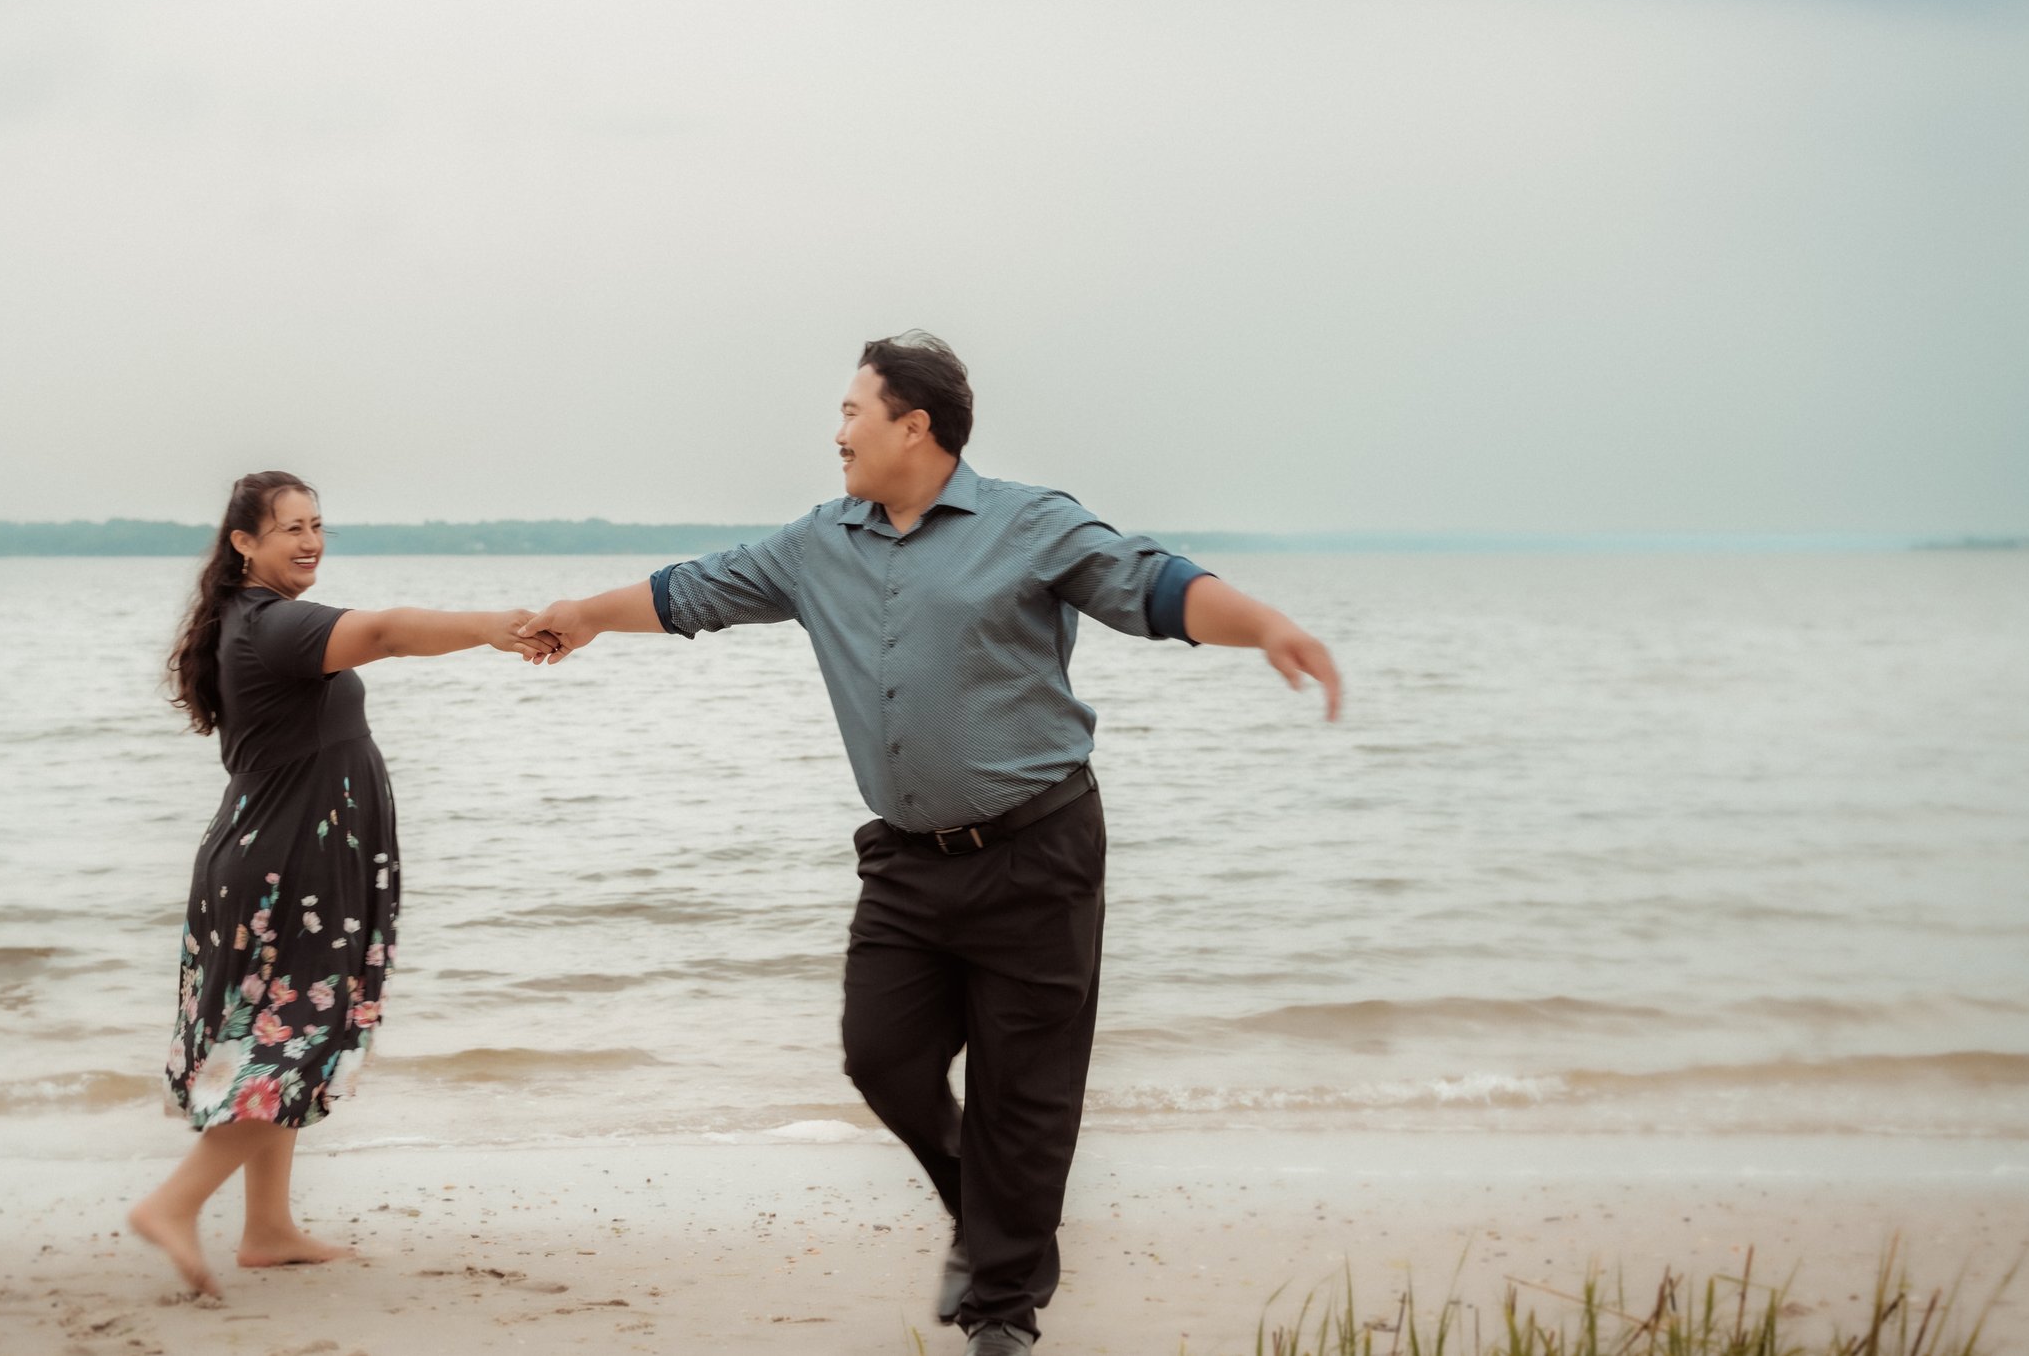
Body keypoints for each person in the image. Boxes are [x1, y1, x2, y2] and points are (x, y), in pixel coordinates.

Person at [518, 334, 1340, 1353]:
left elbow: (1151, 583)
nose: (837, 431)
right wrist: (585, 617)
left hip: (1038, 849)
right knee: (881, 1056)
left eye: (852, 410)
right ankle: (991, 1218)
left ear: (916, 425)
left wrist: (1259, 623)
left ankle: (1001, 1309)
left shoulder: (1030, 523)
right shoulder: (820, 542)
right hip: (907, 861)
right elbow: (693, 589)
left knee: (1023, 1092)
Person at [130, 470, 557, 1297]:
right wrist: (493, 628)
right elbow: (392, 631)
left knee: (280, 1026)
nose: (310, 539)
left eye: (317, 523)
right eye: (289, 527)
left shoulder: (249, 622)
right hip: (290, 867)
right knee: (292, 1036)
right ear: (244, 542)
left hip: (279, 856)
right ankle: (176, 1203)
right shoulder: (273, 626)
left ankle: (268, 1228)